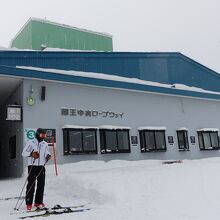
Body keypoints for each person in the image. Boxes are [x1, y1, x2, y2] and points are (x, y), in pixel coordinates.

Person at [22, 128, 51, 210]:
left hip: (41, 166)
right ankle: (29, 202)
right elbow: (23, 153)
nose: (43, 136)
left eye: (44, 135)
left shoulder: (45, 144)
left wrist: (48, 156)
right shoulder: (31, 143)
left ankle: (38, 202)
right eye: (42, 135)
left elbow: (47, 153)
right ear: (38, 134)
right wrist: (31, 154)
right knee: (31, 184)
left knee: (41, 184)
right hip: (32, 166)